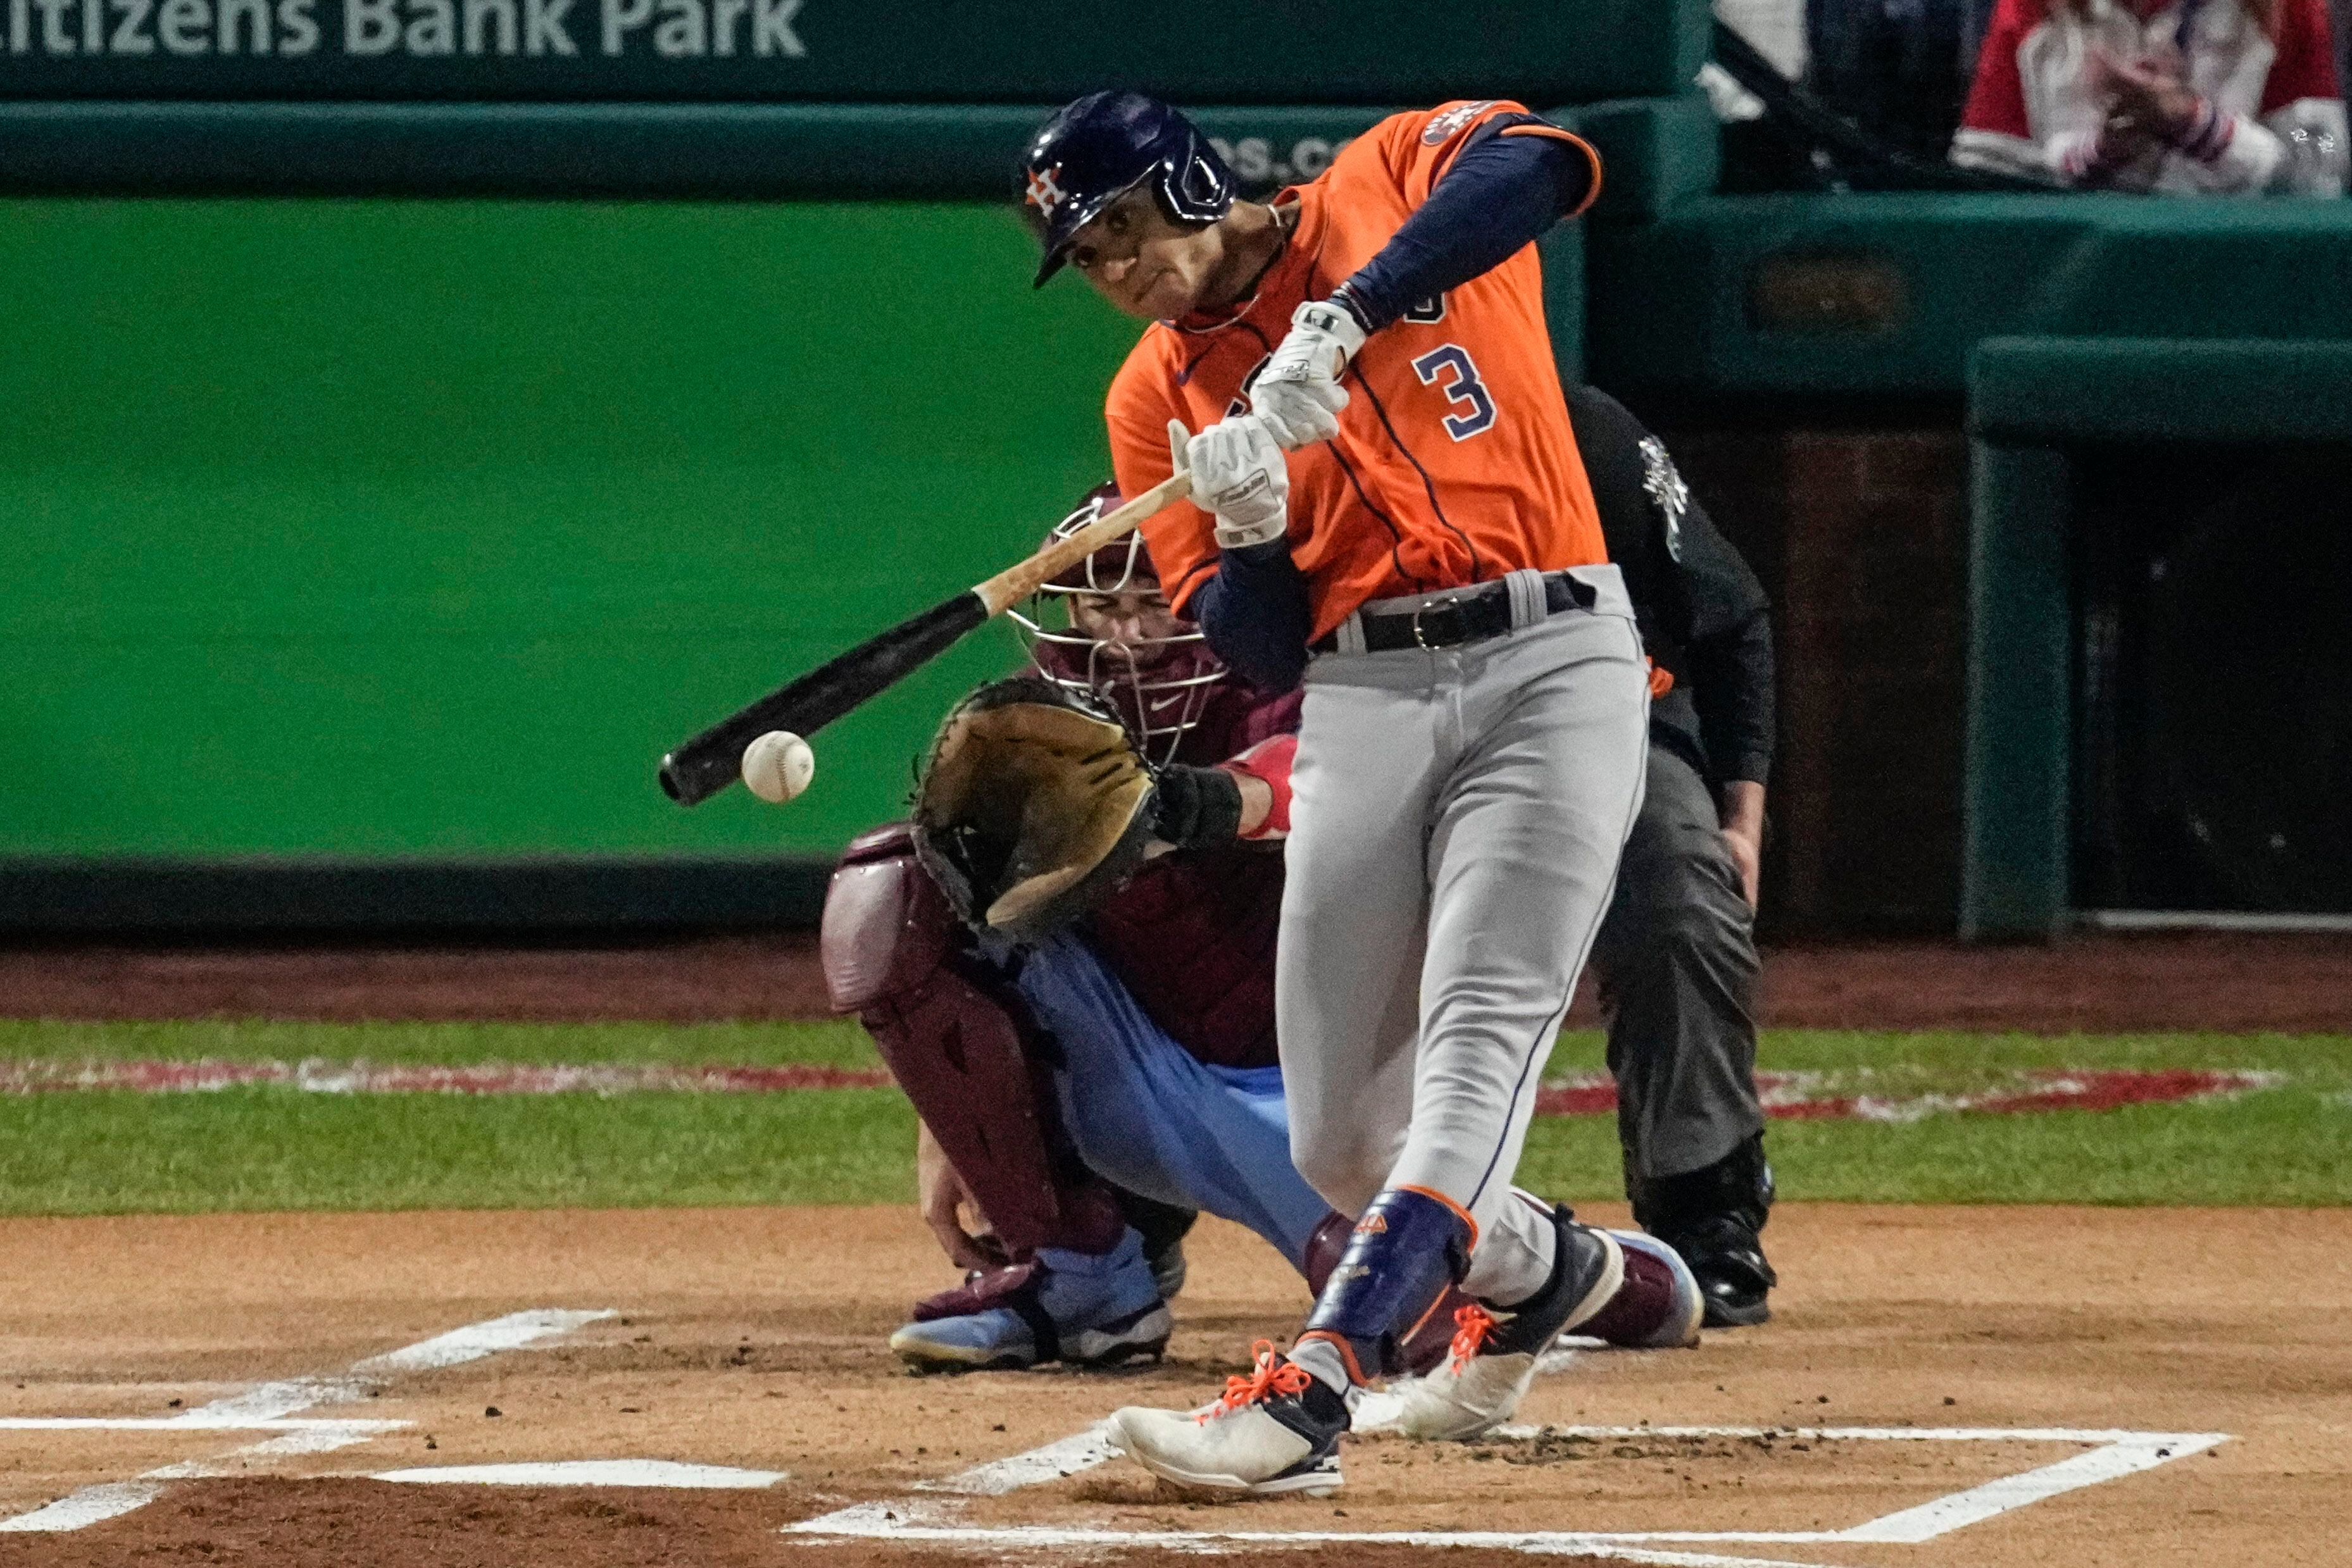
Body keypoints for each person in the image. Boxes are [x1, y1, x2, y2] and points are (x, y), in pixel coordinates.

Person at [1020, 90, 1653, 1496]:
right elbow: (1254, 643)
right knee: (1339, 1138)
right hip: (1363, 694)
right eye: (1088, 255)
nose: (1117, 272)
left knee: (1473, 1047)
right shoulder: (1155, 396)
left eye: (1121, 229)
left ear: (1190, 182)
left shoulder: (1384, 178)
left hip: (1552, 654)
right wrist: (1247, 530)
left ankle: (1305, 1394)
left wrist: (1346, 314)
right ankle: (1547, 1273)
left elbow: (1553, 162)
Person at [823, 488, 1705, 1375]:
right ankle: (1079, 1277)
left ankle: (1611, 1272)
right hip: (1140, 1064)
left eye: (1148, 605)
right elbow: (971, 933)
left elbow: (1304, 781)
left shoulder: (1306, 667)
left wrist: (1190, 803)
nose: (1123, 636)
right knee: (895, 886)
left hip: (1313, 1097)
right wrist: (957, 1127)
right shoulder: (1045, 722)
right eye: (1101, 607)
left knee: (1411, 1339)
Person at [1951, 0, 2346, 194]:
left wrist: (2199, 124)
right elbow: (1990, 192)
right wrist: (2106, 152)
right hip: (2076, 294)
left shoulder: (2286, 10)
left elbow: (2322, 167)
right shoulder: (2030, 11)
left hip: (2243, 282)